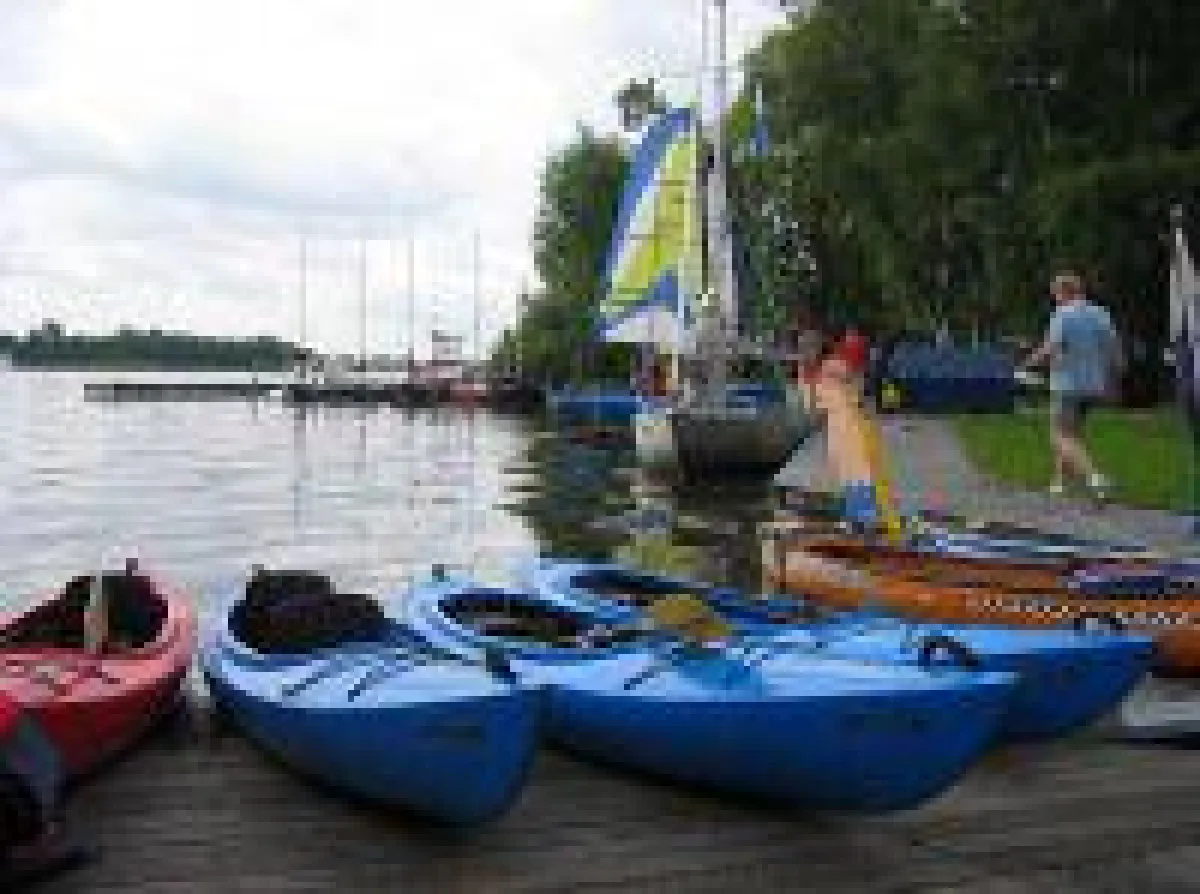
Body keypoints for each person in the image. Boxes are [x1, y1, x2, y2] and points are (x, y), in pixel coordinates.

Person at [1022, 271, 1124, 501]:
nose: (1055, 299)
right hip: (1093, 384)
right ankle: (1059, 483)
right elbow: (1114, 347)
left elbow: (1050, 348)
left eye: (1055, 294)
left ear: (1064, 292)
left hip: (1067, 385)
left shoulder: (1063, 315)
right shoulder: (1100, 313)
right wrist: (1115, 375)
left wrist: (1027, 363)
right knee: (1071, 434)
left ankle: (1095, 477)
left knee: (1059, 436)